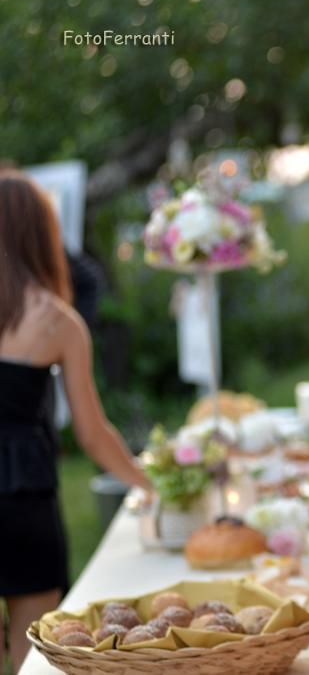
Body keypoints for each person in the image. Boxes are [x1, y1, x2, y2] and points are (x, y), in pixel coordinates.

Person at [0, 171, 150, 671]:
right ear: (41, 235)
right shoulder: (58, 321)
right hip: (26, 500)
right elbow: (93, 432)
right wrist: (146, 484)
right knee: (32, 649)